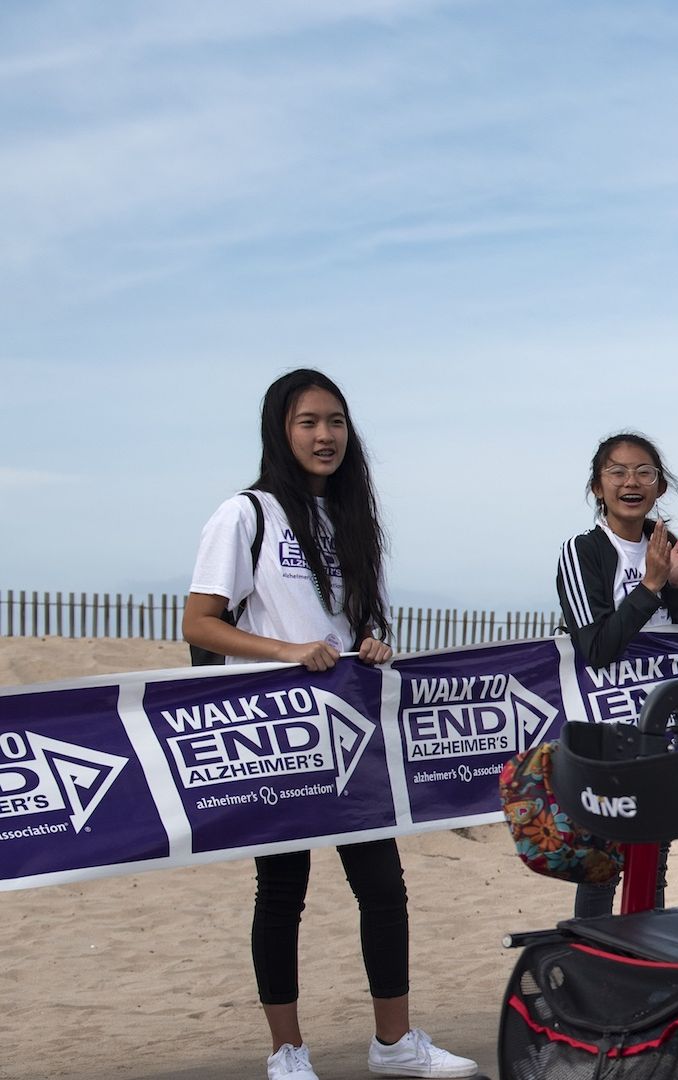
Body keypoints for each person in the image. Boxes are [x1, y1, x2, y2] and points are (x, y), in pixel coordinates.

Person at [183, 370, 476, 1080]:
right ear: (280, 431)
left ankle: (394, 1044)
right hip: (279, 737)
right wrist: (285, 651)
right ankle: (287, 1054)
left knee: (383, 888)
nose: (325, 436)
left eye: (336, 422)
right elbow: (199, 623)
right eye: (309, 421)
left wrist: (368, 642)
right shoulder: (244, 514)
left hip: (348, 735)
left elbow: (347, 624)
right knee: (282, 891)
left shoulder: (348, 519)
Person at [555, 432, 678, 916]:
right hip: (608, 735)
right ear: (597, 488)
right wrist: (651, 584)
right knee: (603, 863)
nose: (631, 481)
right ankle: (593, 969)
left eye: (644, 472)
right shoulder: (583, 552)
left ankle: (645, 965)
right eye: (617, 472)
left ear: (660, 487)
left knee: (654, 860)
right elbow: (597, 648)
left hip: (660, 729)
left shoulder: (664, 549)